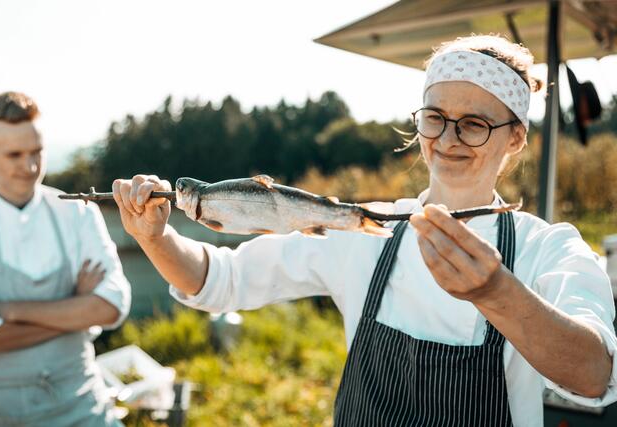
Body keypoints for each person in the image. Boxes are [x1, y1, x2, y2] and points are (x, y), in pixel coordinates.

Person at [112, 35, 617, 426]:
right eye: (435, 118)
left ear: (516, 138)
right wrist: (155, 238)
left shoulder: (547, 248)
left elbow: (594, 377)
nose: (448, 138)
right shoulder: (360, 227)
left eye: (474, 124)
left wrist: (498, 294)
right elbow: (220, 278)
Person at [0, 92, 131, 426]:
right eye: (14, 155)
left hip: (84, 405)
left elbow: (112, 306)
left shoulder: (77, 212)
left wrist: (12, 310)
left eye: (37, 152)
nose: (30, 167)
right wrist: (75, 310)